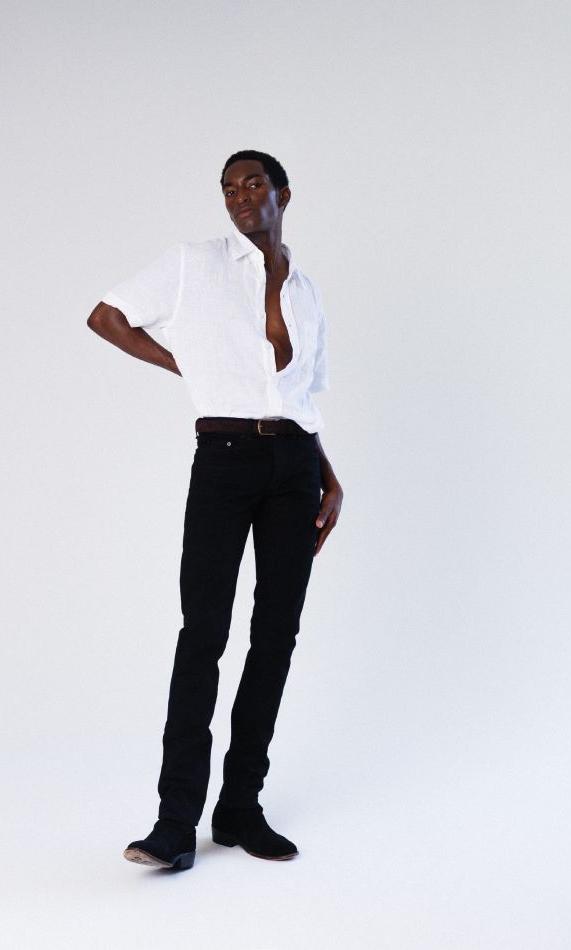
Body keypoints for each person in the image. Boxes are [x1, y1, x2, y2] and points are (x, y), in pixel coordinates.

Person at [87, 150, 343, 870]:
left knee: (277, 635)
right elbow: (106, 317)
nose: (240, 197)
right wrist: (186, 366)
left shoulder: (307, 292)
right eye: (229, 188)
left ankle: (239, 808)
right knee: (203, 634)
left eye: (254, 184)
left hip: (297, 468)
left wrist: (330, 478)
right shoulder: (193, 264)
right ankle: (175, 822)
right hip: (225, 459)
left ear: (283, 194)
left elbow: (299, 398)